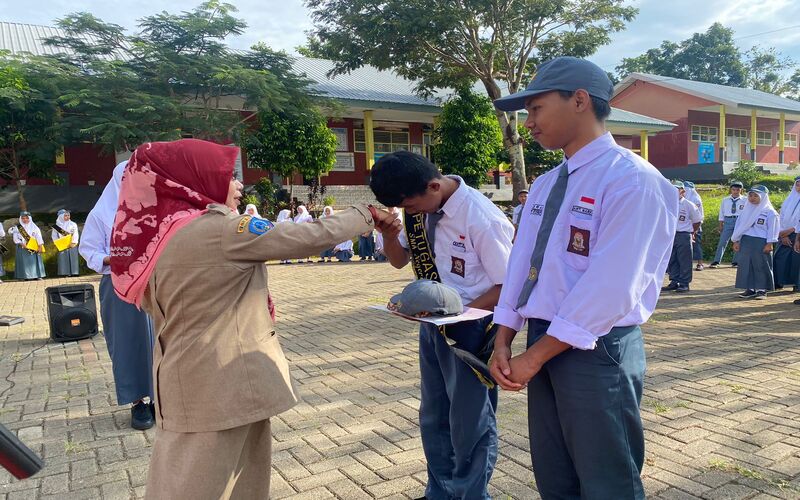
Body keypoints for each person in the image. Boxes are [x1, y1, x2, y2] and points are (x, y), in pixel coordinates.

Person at [108, 139, 391, 500]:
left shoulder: (158, 236)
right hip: (224, 384)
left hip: (186, 379)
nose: (239, 184)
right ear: (197, 180)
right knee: (210, 486)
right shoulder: (222, 230)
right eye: (228, 175)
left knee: (199, 478)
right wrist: (366, 213)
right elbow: (309, 236)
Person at [489, 56, 677, 500]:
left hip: (597, 347)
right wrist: (503, 337)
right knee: (556, 474)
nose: (529, 123)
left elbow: (612, 286)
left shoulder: (632, 180)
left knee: (607, 478)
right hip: (543, 337)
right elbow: (522, 264)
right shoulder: (546, 184)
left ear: (578, 100)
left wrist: (534, 357)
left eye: (536, 108)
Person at [370, 150, 514, 500]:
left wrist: (457, 315)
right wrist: (388, 234)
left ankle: (470, 494)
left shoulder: (481, 217)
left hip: (473, 328)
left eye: (409, 204)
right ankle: (440, 492)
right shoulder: (418, 209)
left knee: (470, 421)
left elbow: (508, 285)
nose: (408, 211)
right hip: (434, 325)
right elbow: (399, 260)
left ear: (434, 186)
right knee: (434, 415)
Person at [80, 162, 156, 431]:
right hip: (118, 284)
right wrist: (113, 259)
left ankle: (160, 397)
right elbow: (88, 250)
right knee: (127, 342)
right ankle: (138, 402)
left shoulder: (150, 209)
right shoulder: (101, 214)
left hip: (152, 283)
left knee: (161, 338)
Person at [731, 185, 779, 300]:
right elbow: (739, 226)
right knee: (746, 265)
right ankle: (750, 289)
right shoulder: (746, 210)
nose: (752, 198)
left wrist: (769, 243)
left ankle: (762, 290)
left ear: (763, 197)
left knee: (761, 265)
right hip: (746, 241)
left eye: (756, 196)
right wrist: (736, 240)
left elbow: (773, 228)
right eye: (750, 195)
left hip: (761, 242)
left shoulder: (770, 212)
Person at [662, 181, 702, 293]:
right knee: (672, 259)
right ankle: (674, 281)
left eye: (677, 189)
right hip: (670, 234)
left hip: (683, 234)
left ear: (682, 191)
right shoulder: (667, 203)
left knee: (684, 260)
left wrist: (692, 232)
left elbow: (697, 220)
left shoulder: (688, 204)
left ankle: (684, 283)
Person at [774, 176, 800, 292]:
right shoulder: (789, 199)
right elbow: (781, 217)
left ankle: (797, 284)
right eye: (797, 184)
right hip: (784, 234)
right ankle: (779, 282)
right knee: (780, 258)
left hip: (797, 233)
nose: (799, 186)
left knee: (796, 260)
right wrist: (782, 234)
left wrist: (792, 230)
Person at [711, 181, 745, 268]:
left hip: (739, 221)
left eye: (738, 190)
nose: (735, 192)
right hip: (728, 220)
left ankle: (736, 261)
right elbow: (721, 212)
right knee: (723, 241)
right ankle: (716, 261)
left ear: (741, 190)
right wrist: (720, 224)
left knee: (738, 241)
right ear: (731, 190)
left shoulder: (745, 200)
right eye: (733, 189)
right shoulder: (725, 200)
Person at [9, 212, 46, 281]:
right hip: (22, 247)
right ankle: (24, 276)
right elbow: (15, 238)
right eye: (23, 218)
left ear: (30, 218)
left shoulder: (34, 227)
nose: (25, 220)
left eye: (27, 218)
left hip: (33, 247)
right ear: (20, 219)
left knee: (34, 261)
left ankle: (37, 275)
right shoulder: (17, 228)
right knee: (23, 262)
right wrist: (22, 244)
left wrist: (40, 246)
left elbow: (39, 237)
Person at [684, 181, 706, 271]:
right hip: (685, 225)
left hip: (695, 225)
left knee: (696, 245)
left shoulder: (696, 199)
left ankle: (700, 263)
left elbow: (699, 215)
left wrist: (695, 228)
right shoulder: (682, 199)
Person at [52, 209, 81, 277]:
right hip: (62, 245)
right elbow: (54, 236)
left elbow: (75, 234)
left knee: (73, 258)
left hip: (72, 244)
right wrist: (57, 243)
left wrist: (74, 242)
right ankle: (64, 273)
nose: (67, 217)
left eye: (68, 215)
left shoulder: (73, 224)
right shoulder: (56, 226)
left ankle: (74, 272)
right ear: (61, 216)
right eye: (65, 215)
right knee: (63, 259)